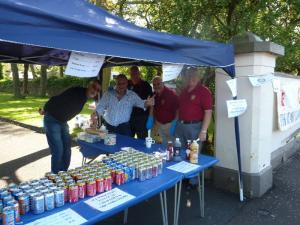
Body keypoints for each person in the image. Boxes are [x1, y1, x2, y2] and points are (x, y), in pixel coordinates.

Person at [40, 79, 101, 173]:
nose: (95, 91)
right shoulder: (76, 91)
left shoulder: (85, 97)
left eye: (98, 90)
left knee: (67, 149)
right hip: (52, 119)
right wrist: (45, 109)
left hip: (63, 122)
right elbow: (56, 99)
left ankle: (63, 173)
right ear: (89, 85)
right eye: (94, 87)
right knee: (58, 149)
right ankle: (55, 176)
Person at [175, 67, 213, 149]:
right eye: (189, 75)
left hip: (194, 128)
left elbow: (208, 112)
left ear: (199, 77)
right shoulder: (184, 91)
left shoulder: (204, 91)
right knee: (179, 152)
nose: (191, 78)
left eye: (194, 75)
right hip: (180, 126)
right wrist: (175, 123)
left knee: (193, 155)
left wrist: (204, 131)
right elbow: (179, 108)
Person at [152, 76, 179, 145]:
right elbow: (154, 109)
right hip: (158, 125)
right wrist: (154, 121)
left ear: (163, 83)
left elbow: (178, 110)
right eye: (154, 85)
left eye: (158, 84)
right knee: (160, 147)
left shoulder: (171, 94)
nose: (156, 86)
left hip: (169, 125)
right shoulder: (154, 95)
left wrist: (174, 123)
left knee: (170, 146)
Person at [128, 66, 153, 139]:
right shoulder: (128, 84)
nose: (134, 76)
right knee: (129, 139)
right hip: (130, 117)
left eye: (135, 74)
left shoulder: (146, 85)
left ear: (139, 74)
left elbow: (151, 102)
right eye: (132, 74)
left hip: (142, 117)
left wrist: (150, 117)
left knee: (142, 140)